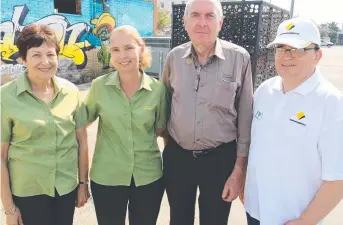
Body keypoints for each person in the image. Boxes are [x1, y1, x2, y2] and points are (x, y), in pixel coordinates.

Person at [244, 17, 343, 225]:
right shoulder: (264, 91)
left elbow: (337, 179)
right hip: (255, 212)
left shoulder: (331, 102)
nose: (286, 56)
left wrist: (305, 221)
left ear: (318, 55)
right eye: (281, 48)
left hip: (294, 219)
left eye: (297, 49)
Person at [161, 0, 253, 224]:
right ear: (185, 22)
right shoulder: (174, 58)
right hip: (179, 157)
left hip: (220, 159)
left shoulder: (239, 58)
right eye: (195, 15)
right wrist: (168, 145)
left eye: (209, 16)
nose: (202, 22)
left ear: (220, 22)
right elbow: (164, 106)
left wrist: (239, 169)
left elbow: (246, 116)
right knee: (179, 219)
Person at [1, 24, 89, 225]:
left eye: (50, 54)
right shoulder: (5, 97)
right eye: (36, 55)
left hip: (65, 189)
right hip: (28, 192)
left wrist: (83, 184)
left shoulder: (71, 92)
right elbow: (1, 156)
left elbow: (82, 141)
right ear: (23, 59)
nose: (45, 62)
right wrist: (9, 209)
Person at [84, 25, 167, 225]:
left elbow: (160, 130)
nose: (123, 55)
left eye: (129, 48)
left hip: (148, 177)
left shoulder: (158, 90)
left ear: (141, 48)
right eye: (115, 50)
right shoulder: (99, 87)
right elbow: (81, 125)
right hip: (107, 177)